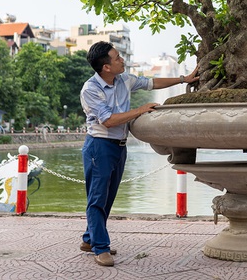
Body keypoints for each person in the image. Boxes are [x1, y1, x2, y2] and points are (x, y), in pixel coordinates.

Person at [79, 41, 199, 267]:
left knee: (108, 196)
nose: (122, 59)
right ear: (106, 67)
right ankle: (101, 248)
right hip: (99, 145)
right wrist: (141, 110)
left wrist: (185, 79)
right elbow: (107, 120)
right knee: (97, 198)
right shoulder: (91, 89)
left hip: (119, 146)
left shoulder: (124, 79)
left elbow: (152, 82)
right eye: (117, 58)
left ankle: (89, 239)